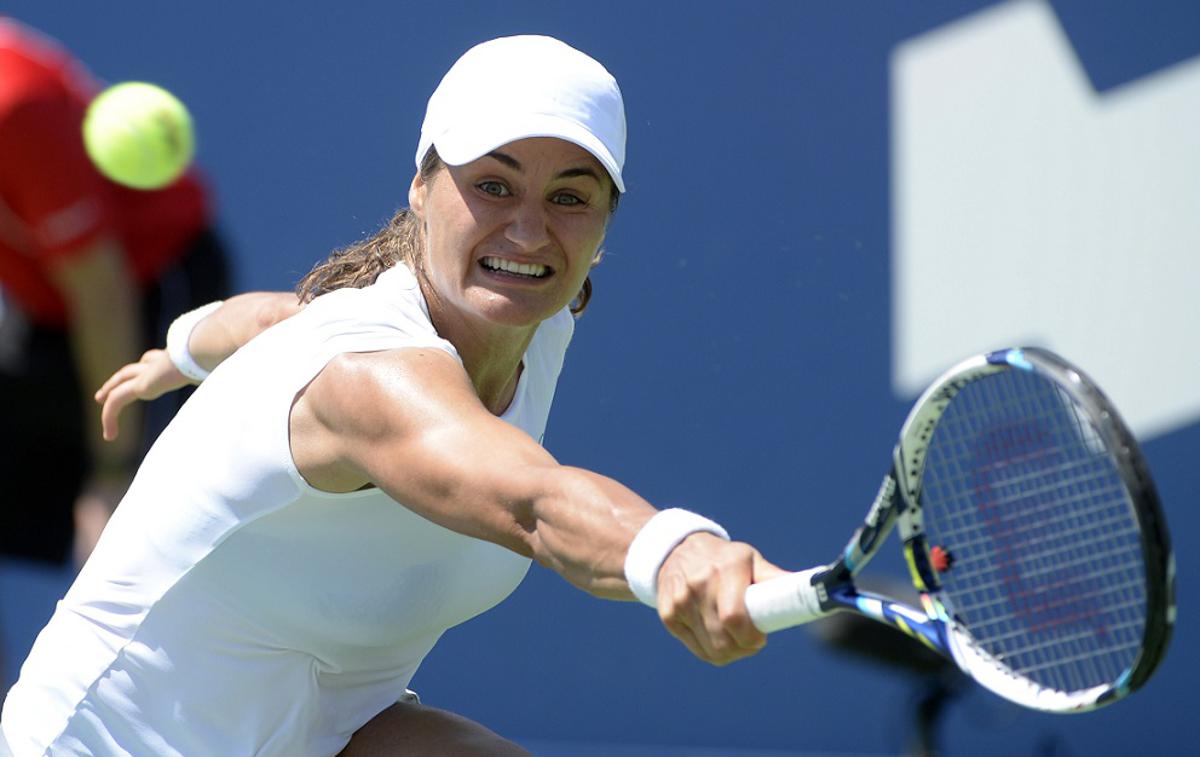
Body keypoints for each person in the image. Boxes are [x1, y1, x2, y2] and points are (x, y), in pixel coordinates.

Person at [1, 35, 785, 756]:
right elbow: (530, 501)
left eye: (570, 197)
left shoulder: (534, 317)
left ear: (605, 224)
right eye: (492, 184)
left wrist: (182, 347)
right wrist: (672, 549)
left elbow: (283, 316)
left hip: (328, 723)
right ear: (421, 187)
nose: (527, 231)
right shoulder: (367, 374)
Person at [0, 17, 229, 692]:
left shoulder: (17, 106)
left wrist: (110, 466)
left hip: (149, 294)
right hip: (40, 310)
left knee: (133, 539)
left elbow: (101, 292)